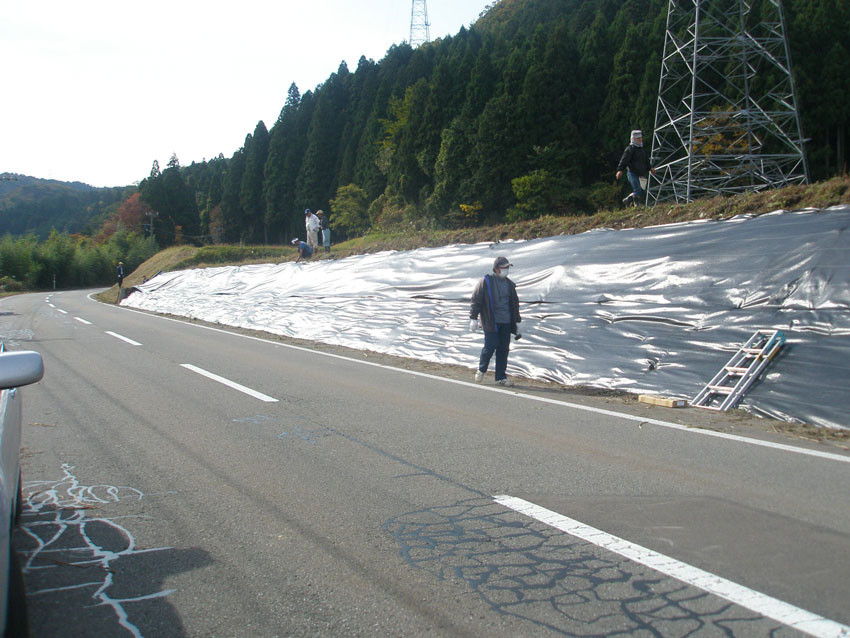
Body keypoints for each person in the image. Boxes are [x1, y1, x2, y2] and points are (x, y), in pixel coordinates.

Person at [469, 256, 522, 386]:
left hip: (506, 321)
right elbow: (477, 299)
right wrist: (473, 317)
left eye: (508, 267)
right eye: (504, 268)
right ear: (497, 269)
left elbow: (514, 304)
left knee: (504, 349)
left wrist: (517, 321)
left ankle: (500, 377)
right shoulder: (486, 281)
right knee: (491, 345)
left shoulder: (510, 285)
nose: (506, 270)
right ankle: (481, 369)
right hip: (491, 321)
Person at [615, 129, 656, 204]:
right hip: (632, 172)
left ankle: (628, 199)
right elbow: (624, 160)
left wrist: (650, 168)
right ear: (633, 139)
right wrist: (620, 170)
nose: (640, 140)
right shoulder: (630, 149)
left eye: (641, 138)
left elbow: (646, 160)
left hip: (641, 173)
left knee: (642, 191)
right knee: (637, 190)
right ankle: (637, 206)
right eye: (638, 138)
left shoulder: (642, 149)